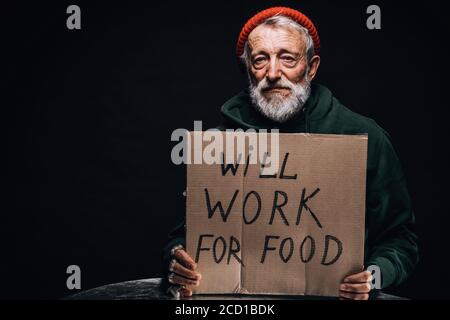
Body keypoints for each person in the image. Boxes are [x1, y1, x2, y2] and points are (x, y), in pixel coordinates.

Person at [161, 6, 418, 300]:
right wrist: (177, 258)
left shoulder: (364, 137)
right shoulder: (218, 143)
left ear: (311, 67)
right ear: (248, 70)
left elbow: (400, 239)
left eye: (287, 58)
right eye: (260, 60)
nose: (273, 73)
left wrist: (375, 275)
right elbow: (185, 233)